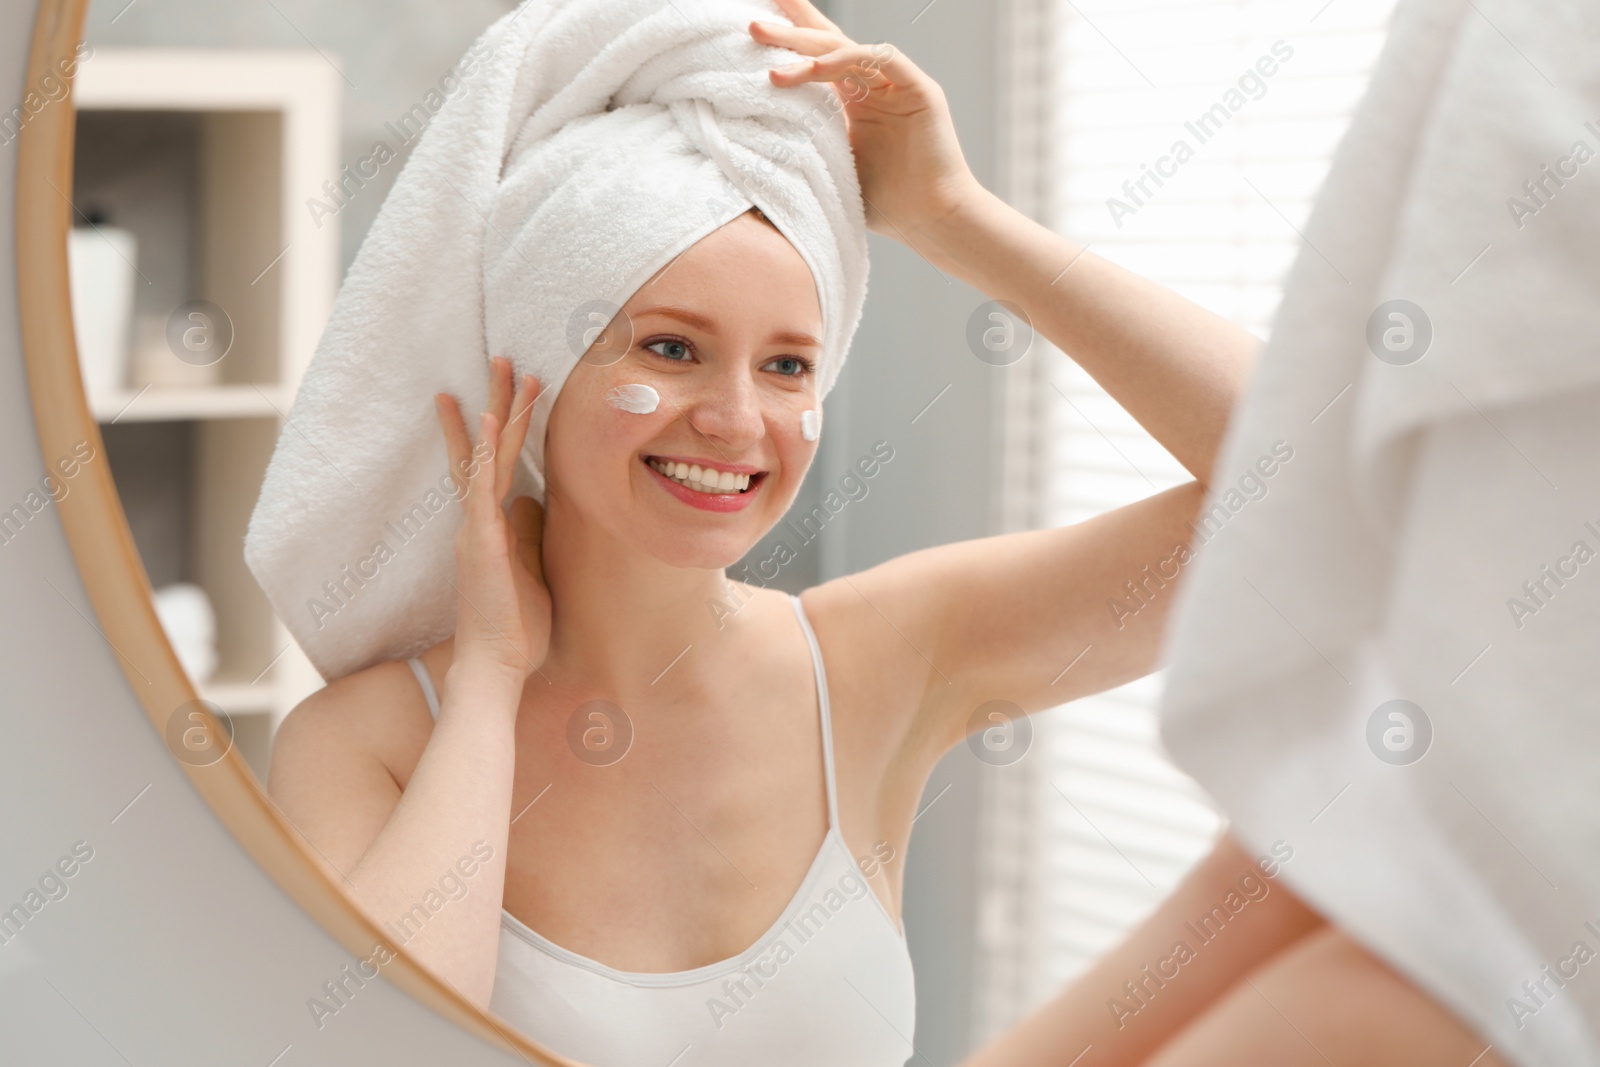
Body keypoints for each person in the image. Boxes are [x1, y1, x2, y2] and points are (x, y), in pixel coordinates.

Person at [266, 0, 1502, 1063]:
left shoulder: (876, 660)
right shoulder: (367, 741)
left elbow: (1323, 484)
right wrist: (486, 681)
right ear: (532, 365)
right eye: (669, 346)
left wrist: (954, 214)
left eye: (791, 363)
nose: (740, 419)